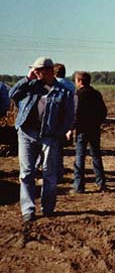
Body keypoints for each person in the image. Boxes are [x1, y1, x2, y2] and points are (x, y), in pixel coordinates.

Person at [9, 57, 75, 222]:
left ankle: (48, 208)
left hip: (49, 136)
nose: (35, 72)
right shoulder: (30, 86)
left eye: (39, 70)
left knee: (49, 173)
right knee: (26, 173)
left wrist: (57, 133)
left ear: (49, 71)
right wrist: (27, 78)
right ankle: (28, 210)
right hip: (26, 133)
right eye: (35, 70)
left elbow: (68, 117)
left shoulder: (64, 91)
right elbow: (12, 94)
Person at [71, 72, 108, 193]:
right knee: (96, 155)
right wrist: (97, 123)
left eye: (76, 81)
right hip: (94, 129)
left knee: (80, 157)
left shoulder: (78, 95)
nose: (75, 83)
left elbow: (75, 114)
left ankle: (79, 186)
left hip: (82, 130)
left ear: (80, 81)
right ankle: (101, 183)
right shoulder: (96, 94)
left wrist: (71, 128)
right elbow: (103, 111)